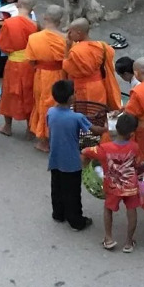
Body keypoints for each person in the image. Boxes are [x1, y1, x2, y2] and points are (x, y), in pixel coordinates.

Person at [47, 79, 93, 231]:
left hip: (55, 158)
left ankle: (58, 213)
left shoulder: (51, 112)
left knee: (57, 187)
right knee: (72, 192)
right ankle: (76, 221)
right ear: (71, 98)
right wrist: (106, 128)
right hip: (72, 161)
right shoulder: (77, 117)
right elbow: (91, 130)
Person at [98, 113, 142, 252]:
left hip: (113, 185)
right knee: (132, 210)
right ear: (132, 133)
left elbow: (92, 155)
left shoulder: (105, 148)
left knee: (108, 209)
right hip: (130, 185)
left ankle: (108, 238)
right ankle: (129, 243)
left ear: (116, 127)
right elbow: (136, 164)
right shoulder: (135, 147)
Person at [0, 0, 39, 138]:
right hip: (29, 64)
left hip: (13, 62)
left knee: (9, 93)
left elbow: (2, 45)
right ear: (33, 8)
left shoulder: (9, 23)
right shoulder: (35, 25)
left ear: (16, 5)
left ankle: (7, 126)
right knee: (28, 94)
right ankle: (30, 128)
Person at [27, 6, 69, 150]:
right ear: (61, 20)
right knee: (59, 105)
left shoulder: (34, 38)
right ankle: (58, 137)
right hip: (61, 74)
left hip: (42, 75)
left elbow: (31, 61)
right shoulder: (66, 39)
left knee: (43, 104)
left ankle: (43, 140)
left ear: (45, 17)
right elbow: (70, 59)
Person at [63, 19, 121, 113]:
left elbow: (67, 67)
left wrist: (67, 47)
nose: (68, 35)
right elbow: (110, 54)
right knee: (98, 112)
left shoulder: (75, 51)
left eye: (70, 32)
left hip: (82, 87)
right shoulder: (102, 46)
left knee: (84, 114)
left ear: (78, 33)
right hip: (99, 85)